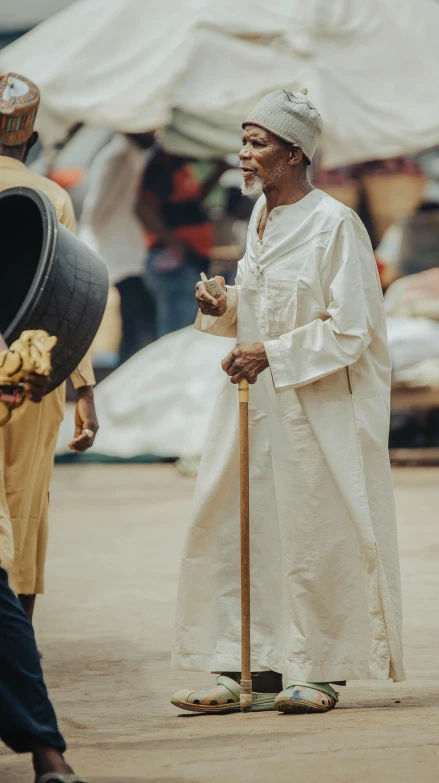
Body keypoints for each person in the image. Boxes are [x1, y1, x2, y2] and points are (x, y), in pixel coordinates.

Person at [171, 89, 404, 715]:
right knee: (237, 523)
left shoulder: (335, 225)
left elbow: (352, 330)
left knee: (313, 531)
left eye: (258, 143)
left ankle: (320, 669)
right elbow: (266, 300)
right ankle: (246, 665)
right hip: (258, 401)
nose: (243, 155)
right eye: (243, 142)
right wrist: (226, 308)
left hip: (317, 411)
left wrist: (270, 351)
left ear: (294, 152)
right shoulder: (261, 217)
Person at [0, 73, 89, 783]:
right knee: (21, 527)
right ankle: (40, 737)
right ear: (30, 137)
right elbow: (73, 297)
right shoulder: (49, 195)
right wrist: (83, 387)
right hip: (30, 382)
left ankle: (39, 738)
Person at [80, 132, 157, 364]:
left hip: (131, 250)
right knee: (137, 322)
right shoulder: (117, 154)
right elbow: (96, 206)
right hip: (121, 251)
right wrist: (91, 243)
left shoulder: (133, 152)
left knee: (135, 321)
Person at [135, 148, 228, 336]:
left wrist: (218, 172)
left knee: (184, 333)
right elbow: (142, 207)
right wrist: (173, 243)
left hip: (187, 262)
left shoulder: (178, 166)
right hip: (177, 265)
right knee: (176, 336)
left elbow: (190, 203)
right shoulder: (161, 166)